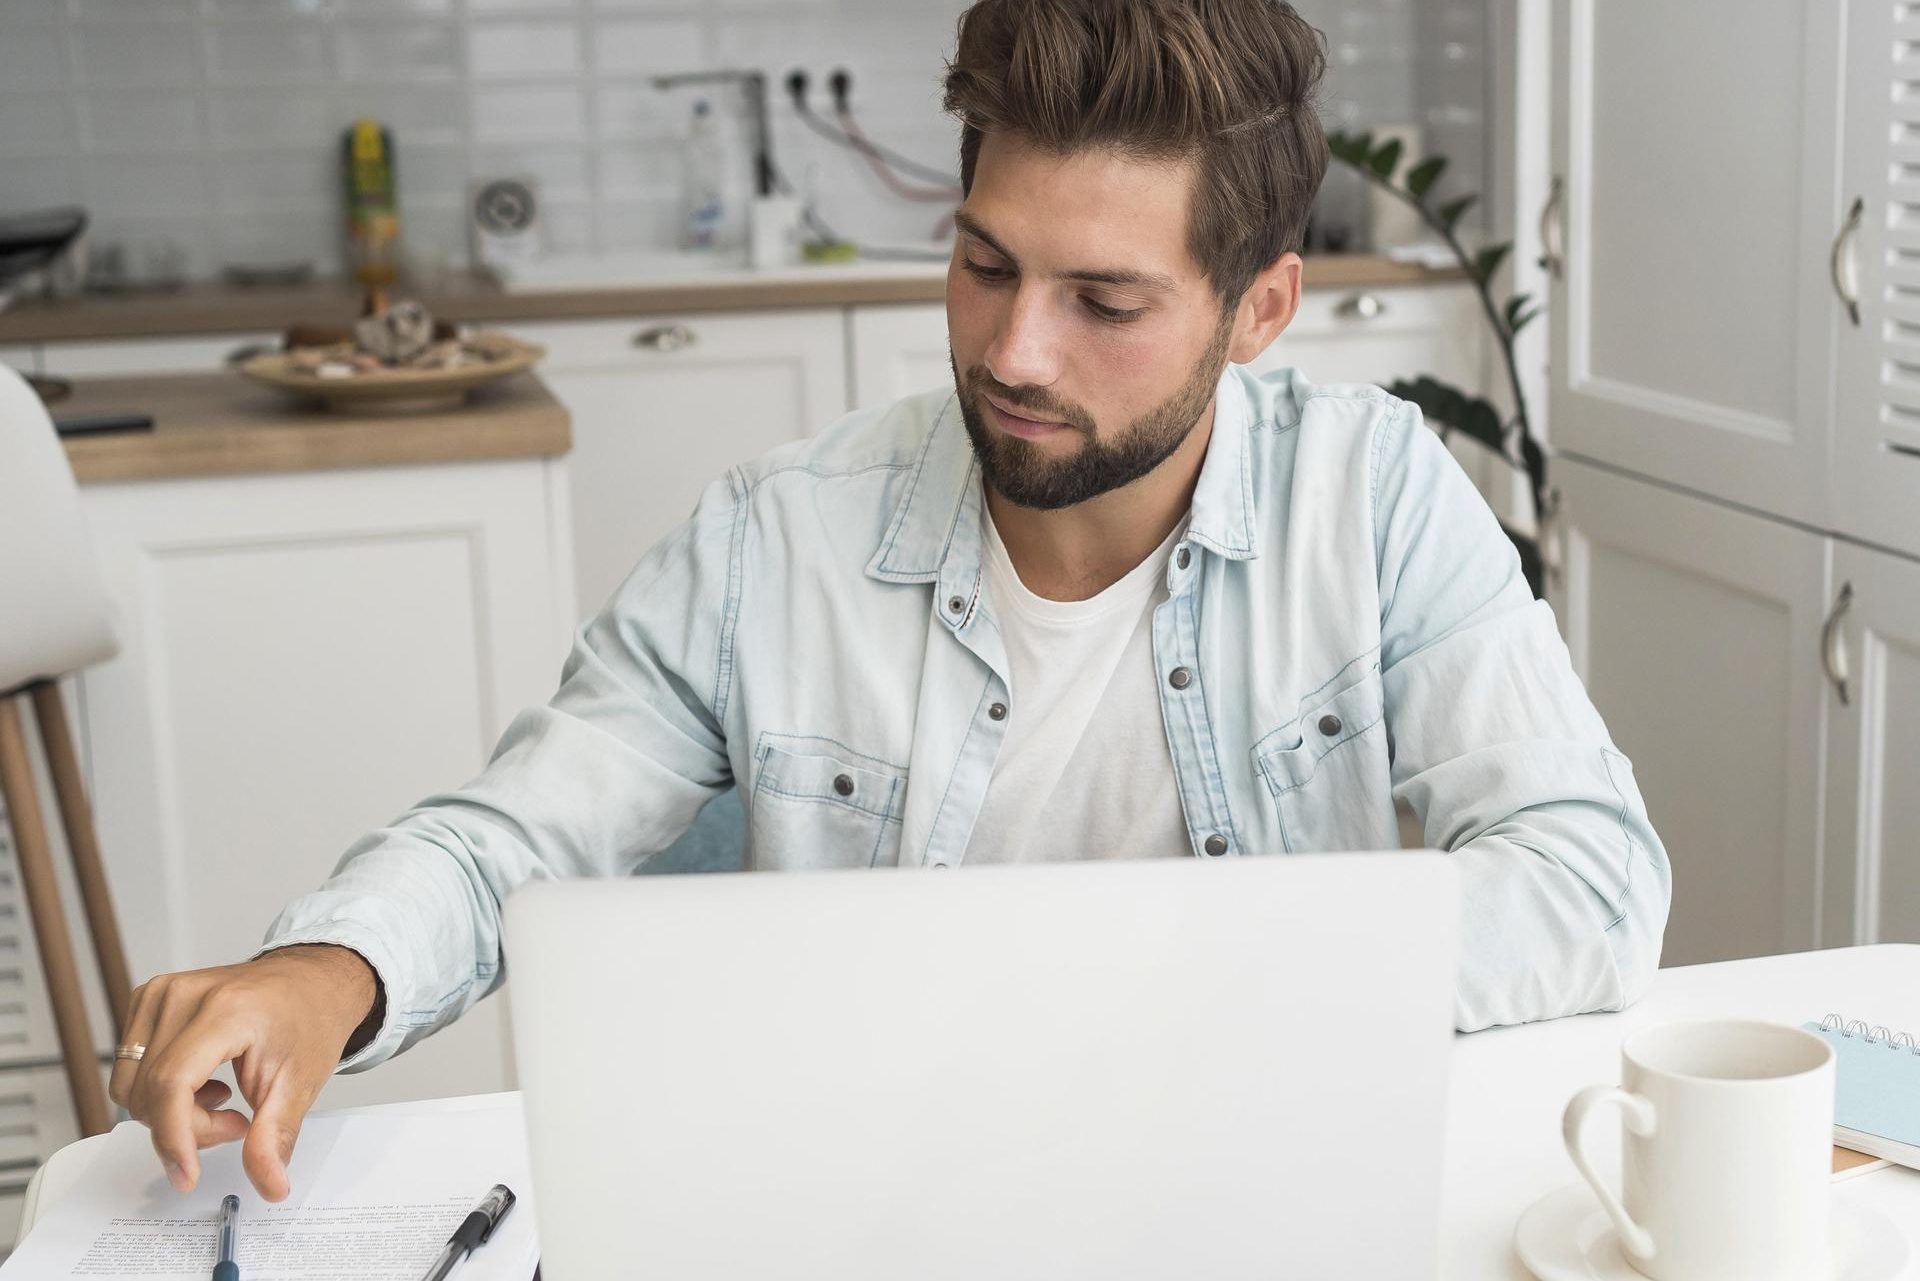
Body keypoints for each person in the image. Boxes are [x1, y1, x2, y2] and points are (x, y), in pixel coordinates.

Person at [108, 0, 1670, 1203]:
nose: (1015, 352)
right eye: (986, 265)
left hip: (1254, 1189)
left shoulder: (1374, 496)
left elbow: (1588, 874)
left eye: (1104, 301)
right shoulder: (775, 538)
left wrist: (1207, 985)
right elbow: (517, 831)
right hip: (866, 1203)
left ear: (1259, 306)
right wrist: (324, 975)